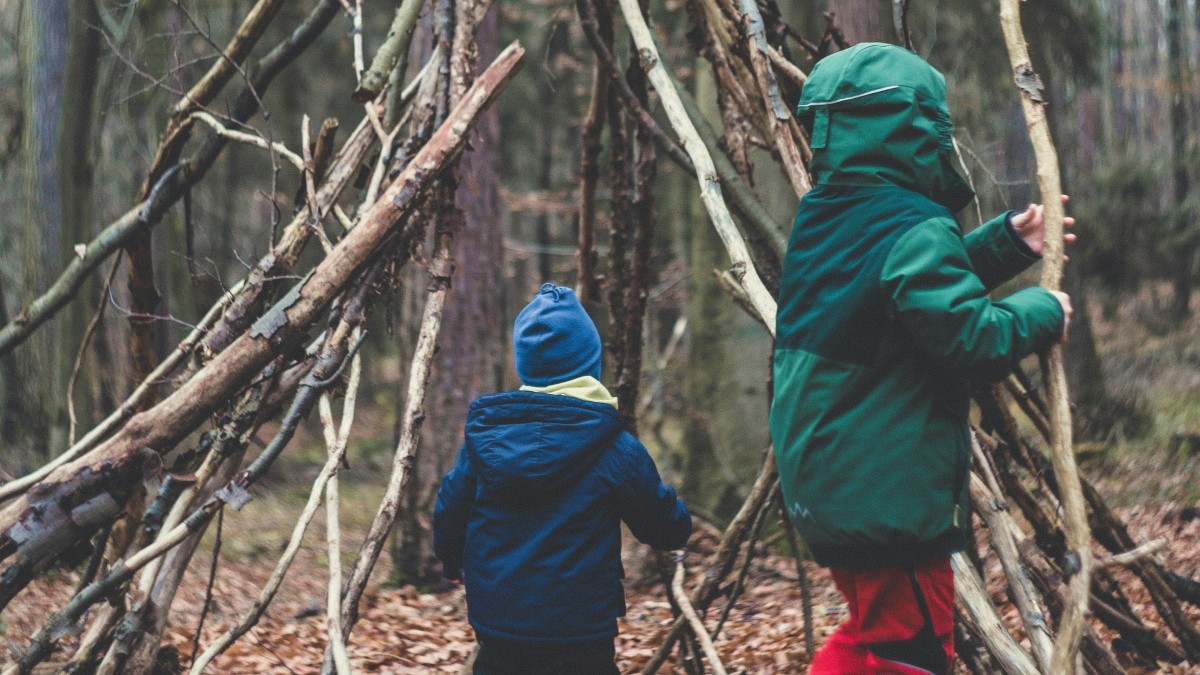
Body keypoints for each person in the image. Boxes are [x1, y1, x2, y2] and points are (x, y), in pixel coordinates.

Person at [770, 43, 1075, 674]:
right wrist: (1043, 312)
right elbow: (971, 340)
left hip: (833, 483)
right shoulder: (912, 225)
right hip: (881, 490)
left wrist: (1004, 244)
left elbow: (902, 294)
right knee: (911, 645)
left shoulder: (825, 218)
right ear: (914, 129)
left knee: (876, 636)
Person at [433, 282, 692, 675]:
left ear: (525, 365)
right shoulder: (612, 446)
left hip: (499, 622)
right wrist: (677, 520)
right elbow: (662, 526)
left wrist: (451, 562)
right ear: (589, 362)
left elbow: (451, 508)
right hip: (580, 630)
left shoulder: (485, 440)